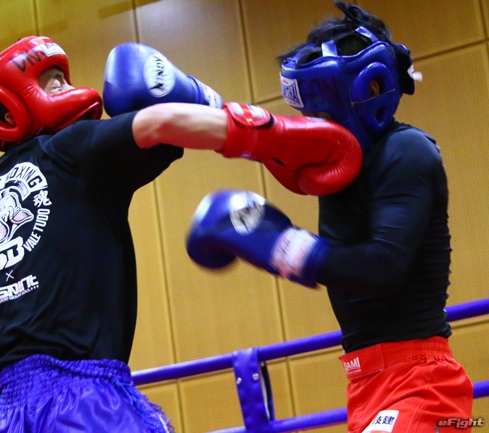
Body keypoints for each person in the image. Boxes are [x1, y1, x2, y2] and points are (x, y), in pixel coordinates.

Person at [0, 35, 360, 432]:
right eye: (52, 82)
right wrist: (275, 137)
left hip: (6, 417)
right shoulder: (67, 151)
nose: (66, 87)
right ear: (10, 109)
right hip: (84, 401)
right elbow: (158, 122)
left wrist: (17, 299)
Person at [185, 2, 474, 432]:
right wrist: (189, 101)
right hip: (366, 383)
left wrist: (285, 247)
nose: (316, 123)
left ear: (370, 87)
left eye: (326, 109)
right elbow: (264, 136)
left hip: (421, 381)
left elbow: (384, 266)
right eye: (310, 112)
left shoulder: (407, 151)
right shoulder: (335, 162)